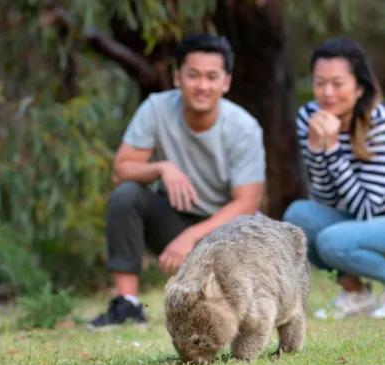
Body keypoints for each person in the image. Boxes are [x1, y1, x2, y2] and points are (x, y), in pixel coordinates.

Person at [89, 34, 266, 329]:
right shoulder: (157, 109)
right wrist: (161, 167)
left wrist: (192, 237)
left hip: (229, 232)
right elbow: (122, 168)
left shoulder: (243, 128)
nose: (202, 86)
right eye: (193, 75)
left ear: (226, 82)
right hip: (172, 221)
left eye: (212, 77)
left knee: (235, 301)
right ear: (177, 78)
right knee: (127, 195)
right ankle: (128, 306)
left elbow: (247, 203)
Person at [283, 36, 385, 319]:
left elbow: (364, 209)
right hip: (363, 227)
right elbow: (324, 200)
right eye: (319, 82)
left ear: (359, 87)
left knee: (333, 240)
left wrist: (332, 149)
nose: (326, 93)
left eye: (337, 83)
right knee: (299, 218)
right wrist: (316, 150)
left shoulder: (380, 125)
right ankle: (356, 293)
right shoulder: (310, 117)